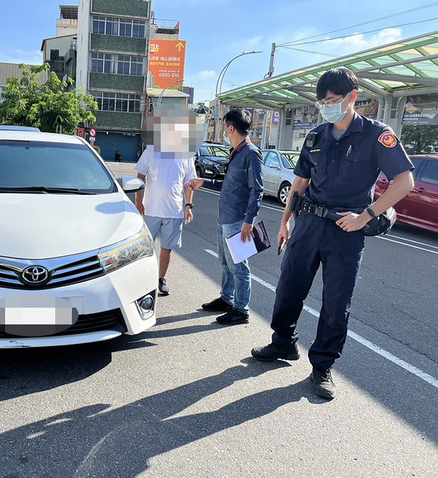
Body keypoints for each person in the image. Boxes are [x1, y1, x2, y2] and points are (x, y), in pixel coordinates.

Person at [250, 68, 414, 400]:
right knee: (288, 288)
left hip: (345, 230)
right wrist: (284, 221)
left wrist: (366, 216)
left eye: (332, 100)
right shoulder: (315, 137)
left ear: (353, 97)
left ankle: (322, 365)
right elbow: (299, 183)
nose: (326, 106)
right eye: (322, 101)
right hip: (307, 224)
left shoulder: (377, 135)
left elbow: (405, 182)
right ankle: (283, 343)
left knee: (337, 302)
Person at [188, 109, 264, 325]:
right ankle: (226, 299)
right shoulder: (237, 152)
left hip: (239, 221)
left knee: (239, 266)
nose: (223, 130)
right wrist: (204, 182)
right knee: (225, 262)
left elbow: (256, 190)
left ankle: (241, 310)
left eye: (224, 126)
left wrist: (248, 222)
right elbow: (231, 186)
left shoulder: (250, 153)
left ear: (231, 128)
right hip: (226, 219)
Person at [135, 107, 199, 296]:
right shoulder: (151, 151)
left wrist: (188, 206)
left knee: (167, 248)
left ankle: (161, 279)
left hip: (174, 211)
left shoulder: (186, 155)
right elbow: (140, 177)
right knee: (145, 248)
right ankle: (143, 280)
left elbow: (189, 184)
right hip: (151, 210)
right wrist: (139, 202)